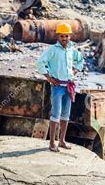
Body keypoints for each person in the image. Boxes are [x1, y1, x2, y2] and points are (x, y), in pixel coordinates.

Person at [36, 23, 84, 152]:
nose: (64, 38)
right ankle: (52, 143)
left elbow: (80, 60)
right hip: (57, 87)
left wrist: (75, 70)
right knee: (55, 114)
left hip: (68, 86)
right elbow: (40, 62)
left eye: (66, 36)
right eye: (62, 36)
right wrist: (48, 77)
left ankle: (62, 141)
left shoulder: (72, 50)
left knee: (65, 115)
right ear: (58, 36)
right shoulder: (52, 50)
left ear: (69, 36)